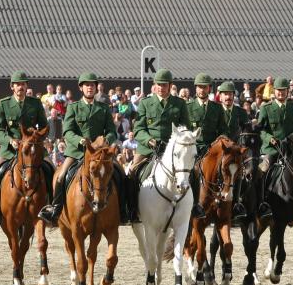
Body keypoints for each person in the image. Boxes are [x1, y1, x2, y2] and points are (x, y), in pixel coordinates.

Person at [39, 72, 128, 224]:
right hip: (77, 152)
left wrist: (106, 139)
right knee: (60, 177)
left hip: (100, 153)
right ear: (81, 88)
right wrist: (80, 141)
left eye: (92, 85)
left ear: (96, 88)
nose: (90, 88)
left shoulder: (104, 108)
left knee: (120, 173)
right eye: (87, 85)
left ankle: (123, 210)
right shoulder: (73, 107)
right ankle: (56, 209)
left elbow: (112, 131)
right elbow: (67, 132)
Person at [0, 71, 52, 227]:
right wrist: (9, 140)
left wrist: (36, 137)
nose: (21, 87)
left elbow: (43, 126)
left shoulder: (35, 103)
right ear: (12, 87)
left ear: (26, 85)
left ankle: (51, 208)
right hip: (11, 149)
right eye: (18, 84)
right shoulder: (4, 103)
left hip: (32, 148)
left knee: (51, 169)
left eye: (23, 84)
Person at [127, 69, 194, 223]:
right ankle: (130, 209)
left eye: (165, 85)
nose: (161, 88)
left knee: (193, 172)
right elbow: (138, 129)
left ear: (170, 86)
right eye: (159, 85)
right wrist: (150, 140)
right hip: (148, 148)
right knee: (131, 172)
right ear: (154, 86)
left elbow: (186, 127)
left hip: (172, 150)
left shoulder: (179, 103)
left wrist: (178, 142)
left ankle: (195, 207)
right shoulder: (145, 103)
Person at [254, 77, 293, 218]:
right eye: (278, 91)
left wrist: (292, 137)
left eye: (283, 90)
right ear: (274, 92)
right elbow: (260, 130)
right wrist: (270, 138)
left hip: (290, 149)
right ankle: (262, 203)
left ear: (288, 91)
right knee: (262, 171)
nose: (281, 93)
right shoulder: (266, 108)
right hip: (271, 150)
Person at [185, 73, 226, 220]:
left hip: (211, 149)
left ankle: (229, 203)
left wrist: (216, 144)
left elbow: (222, 131)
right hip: (193, 148)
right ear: (196, 89)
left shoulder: (217, 108)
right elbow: (184, 130)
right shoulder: (188, 107)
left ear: (209, 89)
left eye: (205, 87)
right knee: (191, 173)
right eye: (200, 87)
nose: (202, 90)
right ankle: (195, 205)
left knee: (228, 170)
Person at [217, 81, 251, 219]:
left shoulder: (241, 112)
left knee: (245, 172)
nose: (228, 97)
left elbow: (246, 131)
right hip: (219, 149)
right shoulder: (215, 110)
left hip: (236, 151)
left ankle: (237, 203)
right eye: (225, 94)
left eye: (230, 94)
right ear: (220, 96)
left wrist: (241, 147)